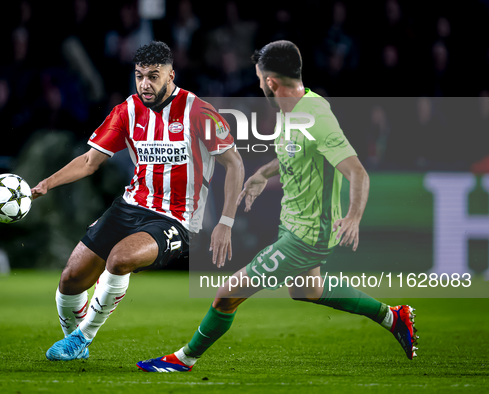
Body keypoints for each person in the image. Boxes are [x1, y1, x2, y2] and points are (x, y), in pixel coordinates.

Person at [137, 40, 417, 373]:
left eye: (259, 79)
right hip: (293, 224)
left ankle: (184, 359)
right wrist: (262, 174)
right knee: (306, 290)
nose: (258, 84)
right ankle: (393, 316)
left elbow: (356, 171)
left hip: (308, 234)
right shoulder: (291, 111)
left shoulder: (317, 116)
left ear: (271, 81)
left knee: (227, 293)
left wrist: (354, 216)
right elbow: (292, 154)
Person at [30, 41, 244, 361]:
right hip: (131, 205)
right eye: (139, 76)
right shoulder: (127, 111)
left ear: (171, 75)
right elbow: (90, 161)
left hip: (177, 218)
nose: (145, 84)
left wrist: (226, 222)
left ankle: (82, 336)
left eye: (153, 76)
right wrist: (47, 183)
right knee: (70, 279)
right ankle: (75, 344)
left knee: (120, 259)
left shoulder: (198, 111)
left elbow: (235, 164)